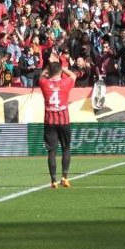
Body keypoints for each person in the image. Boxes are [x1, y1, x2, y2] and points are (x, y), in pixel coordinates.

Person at [39, 51, 77, 189]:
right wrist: (62, 67)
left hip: (50, 121)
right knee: (66, 148)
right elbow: (73, 75)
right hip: (63, 120)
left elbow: (41, 76)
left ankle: (53, 181)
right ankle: (64, 178)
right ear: (60, 72)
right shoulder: (65, 82)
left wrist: (49, 65)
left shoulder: (44, 83)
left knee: (52, 151)